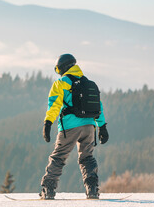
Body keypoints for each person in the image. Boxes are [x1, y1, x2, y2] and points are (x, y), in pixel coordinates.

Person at [40, 53, 109, 199]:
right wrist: (102, 127)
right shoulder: (88, 83)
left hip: (70, 126)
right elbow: (98, 106)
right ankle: (92, 190)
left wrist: (48, 123)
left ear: (63, 67)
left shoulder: (61, 82)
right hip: (89, 126)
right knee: (87, 158)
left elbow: (54, 105)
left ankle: (48, 189)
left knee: (59, 156)